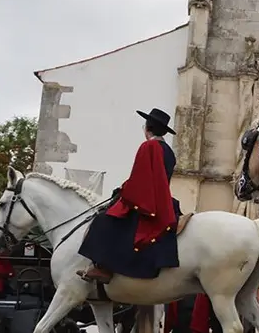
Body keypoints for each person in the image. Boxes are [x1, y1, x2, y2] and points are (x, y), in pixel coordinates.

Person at [78, 108, 183, 284]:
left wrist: (123, 191)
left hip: (149, 202)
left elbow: (140, 180)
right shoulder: (168, 151)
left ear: (147, 128)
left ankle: (103, 268)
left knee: (103, 221)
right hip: (164, 202)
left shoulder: (148, 146)